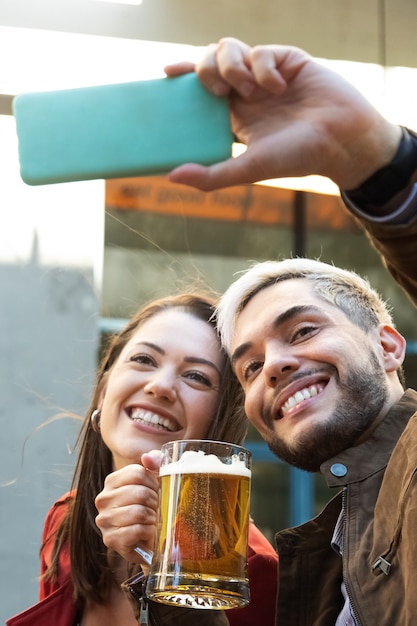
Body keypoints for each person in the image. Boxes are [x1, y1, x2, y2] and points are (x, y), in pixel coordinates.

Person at [6, 292, 278, 626]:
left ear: (220, 421)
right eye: (144, 360)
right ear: (104, 392)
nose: (160, 386)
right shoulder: (66, 522)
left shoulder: (255, 570)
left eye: (196, 376)